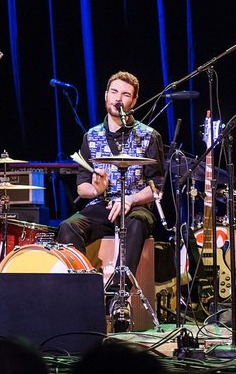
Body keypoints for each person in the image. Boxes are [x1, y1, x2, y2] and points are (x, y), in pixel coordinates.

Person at [57, 71, 164, 281]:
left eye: (125, 94)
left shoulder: (149, 136)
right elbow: (82, 187)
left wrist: (130, 200)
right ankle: (82, 286)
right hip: (102, 206)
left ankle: (117, 294)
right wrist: (97, 189)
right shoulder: (91, 136)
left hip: (136, 208)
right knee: (68, 226)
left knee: (135, 223)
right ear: (105, 95)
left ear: (134, 101)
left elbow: (156, 187)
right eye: (114, 92)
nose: (118, 98)